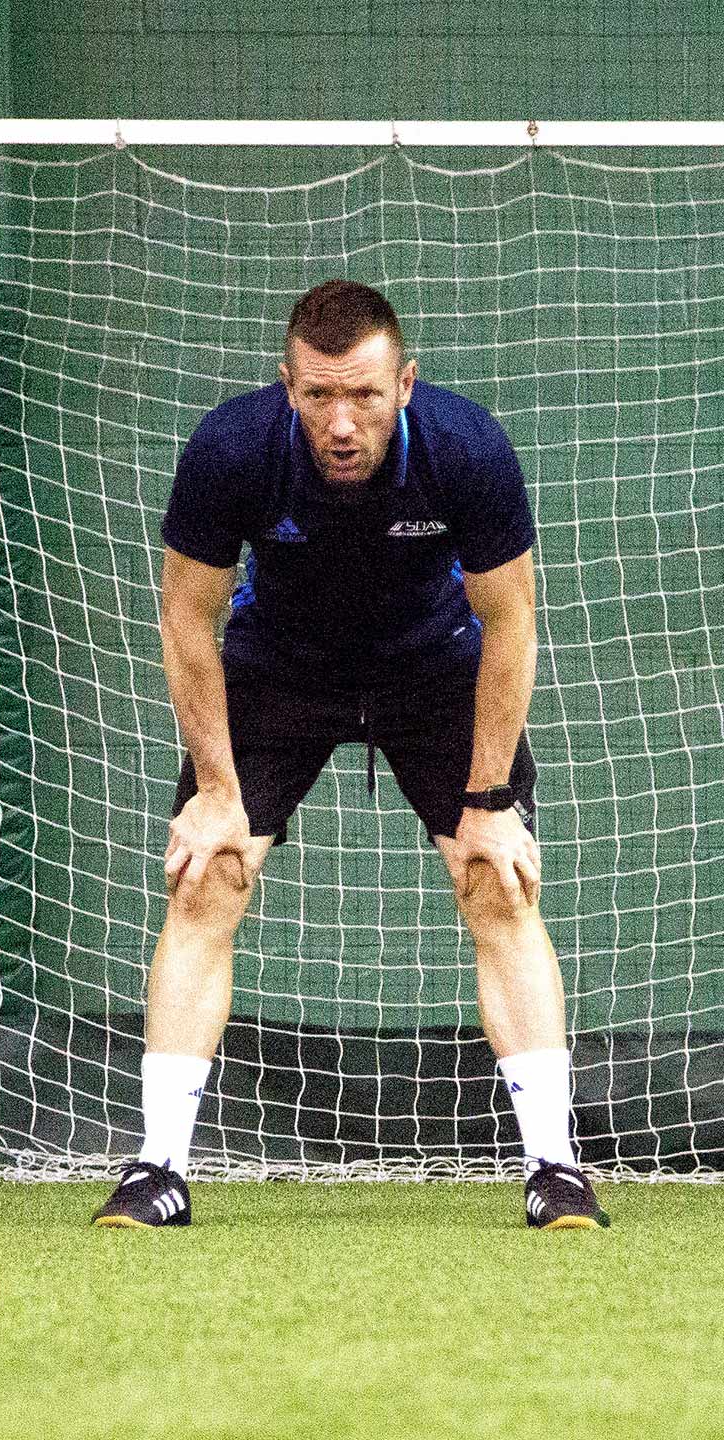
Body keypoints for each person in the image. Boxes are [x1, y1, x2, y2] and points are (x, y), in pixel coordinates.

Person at [92, 280, 609, 1232]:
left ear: (404, 385)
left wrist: (490, 796)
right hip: (281, 665)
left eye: (365, 395)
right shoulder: (232, 449)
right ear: (286, 385)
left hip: (433, 666)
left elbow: (510, 622)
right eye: (319, 395)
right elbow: (188, 618)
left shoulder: (466, 448)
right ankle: (157, 1168)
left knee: (497, 880)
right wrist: (217, 789)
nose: (341, 423)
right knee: (207, 874)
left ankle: (557, 1169)